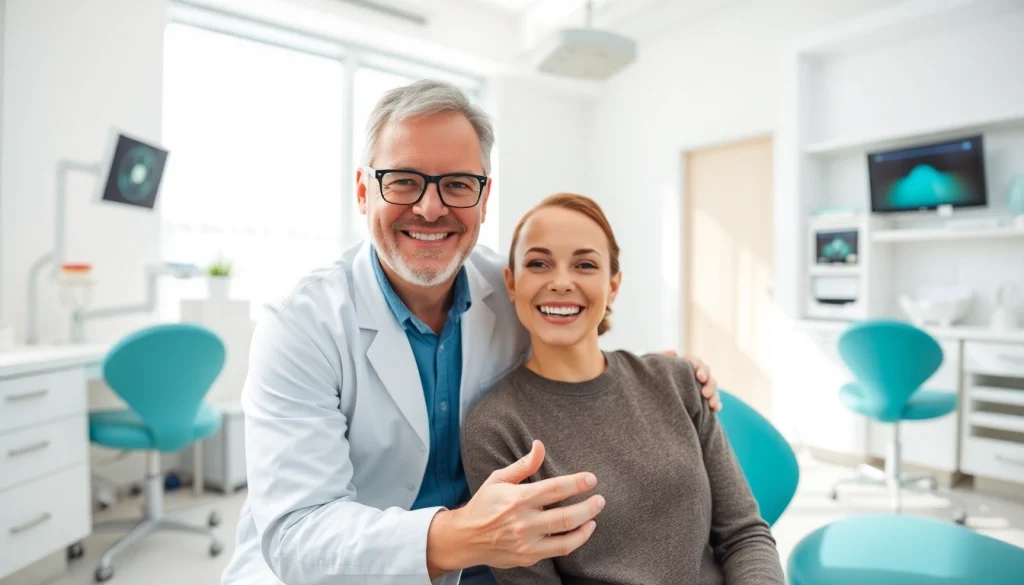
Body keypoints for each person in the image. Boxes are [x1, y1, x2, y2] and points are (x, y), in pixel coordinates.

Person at [220, 79, 722, 585]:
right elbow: (298, 533)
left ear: (484, 200)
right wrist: (462, 536)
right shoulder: (301, 326)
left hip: (492, 568)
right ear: (362, 191)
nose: (431, 208)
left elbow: (571, 339)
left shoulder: (510, 289)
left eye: (457, 184)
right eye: (402, 180)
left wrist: (651, 375)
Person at [461, 193, 785, 585]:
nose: (561, 282)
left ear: (612, 285)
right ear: (512, 283)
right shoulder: (495, 428)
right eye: (538, 263)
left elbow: (744, 535)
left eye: (584, 264)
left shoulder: (677, 381)